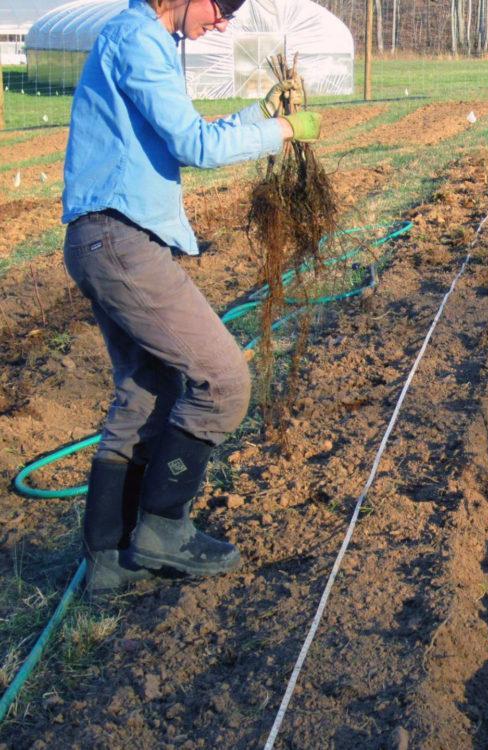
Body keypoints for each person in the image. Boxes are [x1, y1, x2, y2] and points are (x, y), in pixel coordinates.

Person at [61, 0, 321, 595]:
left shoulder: (138, 39)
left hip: (107, 239)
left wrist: (258, 114)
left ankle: (109, 560)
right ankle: (163, 529)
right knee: (224, 381)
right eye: (221, 4)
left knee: (147, 392)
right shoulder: (137, 38)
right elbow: (193, 146)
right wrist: (281, 131)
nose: (225, 20)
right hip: (121, 240)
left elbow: (190, 132)